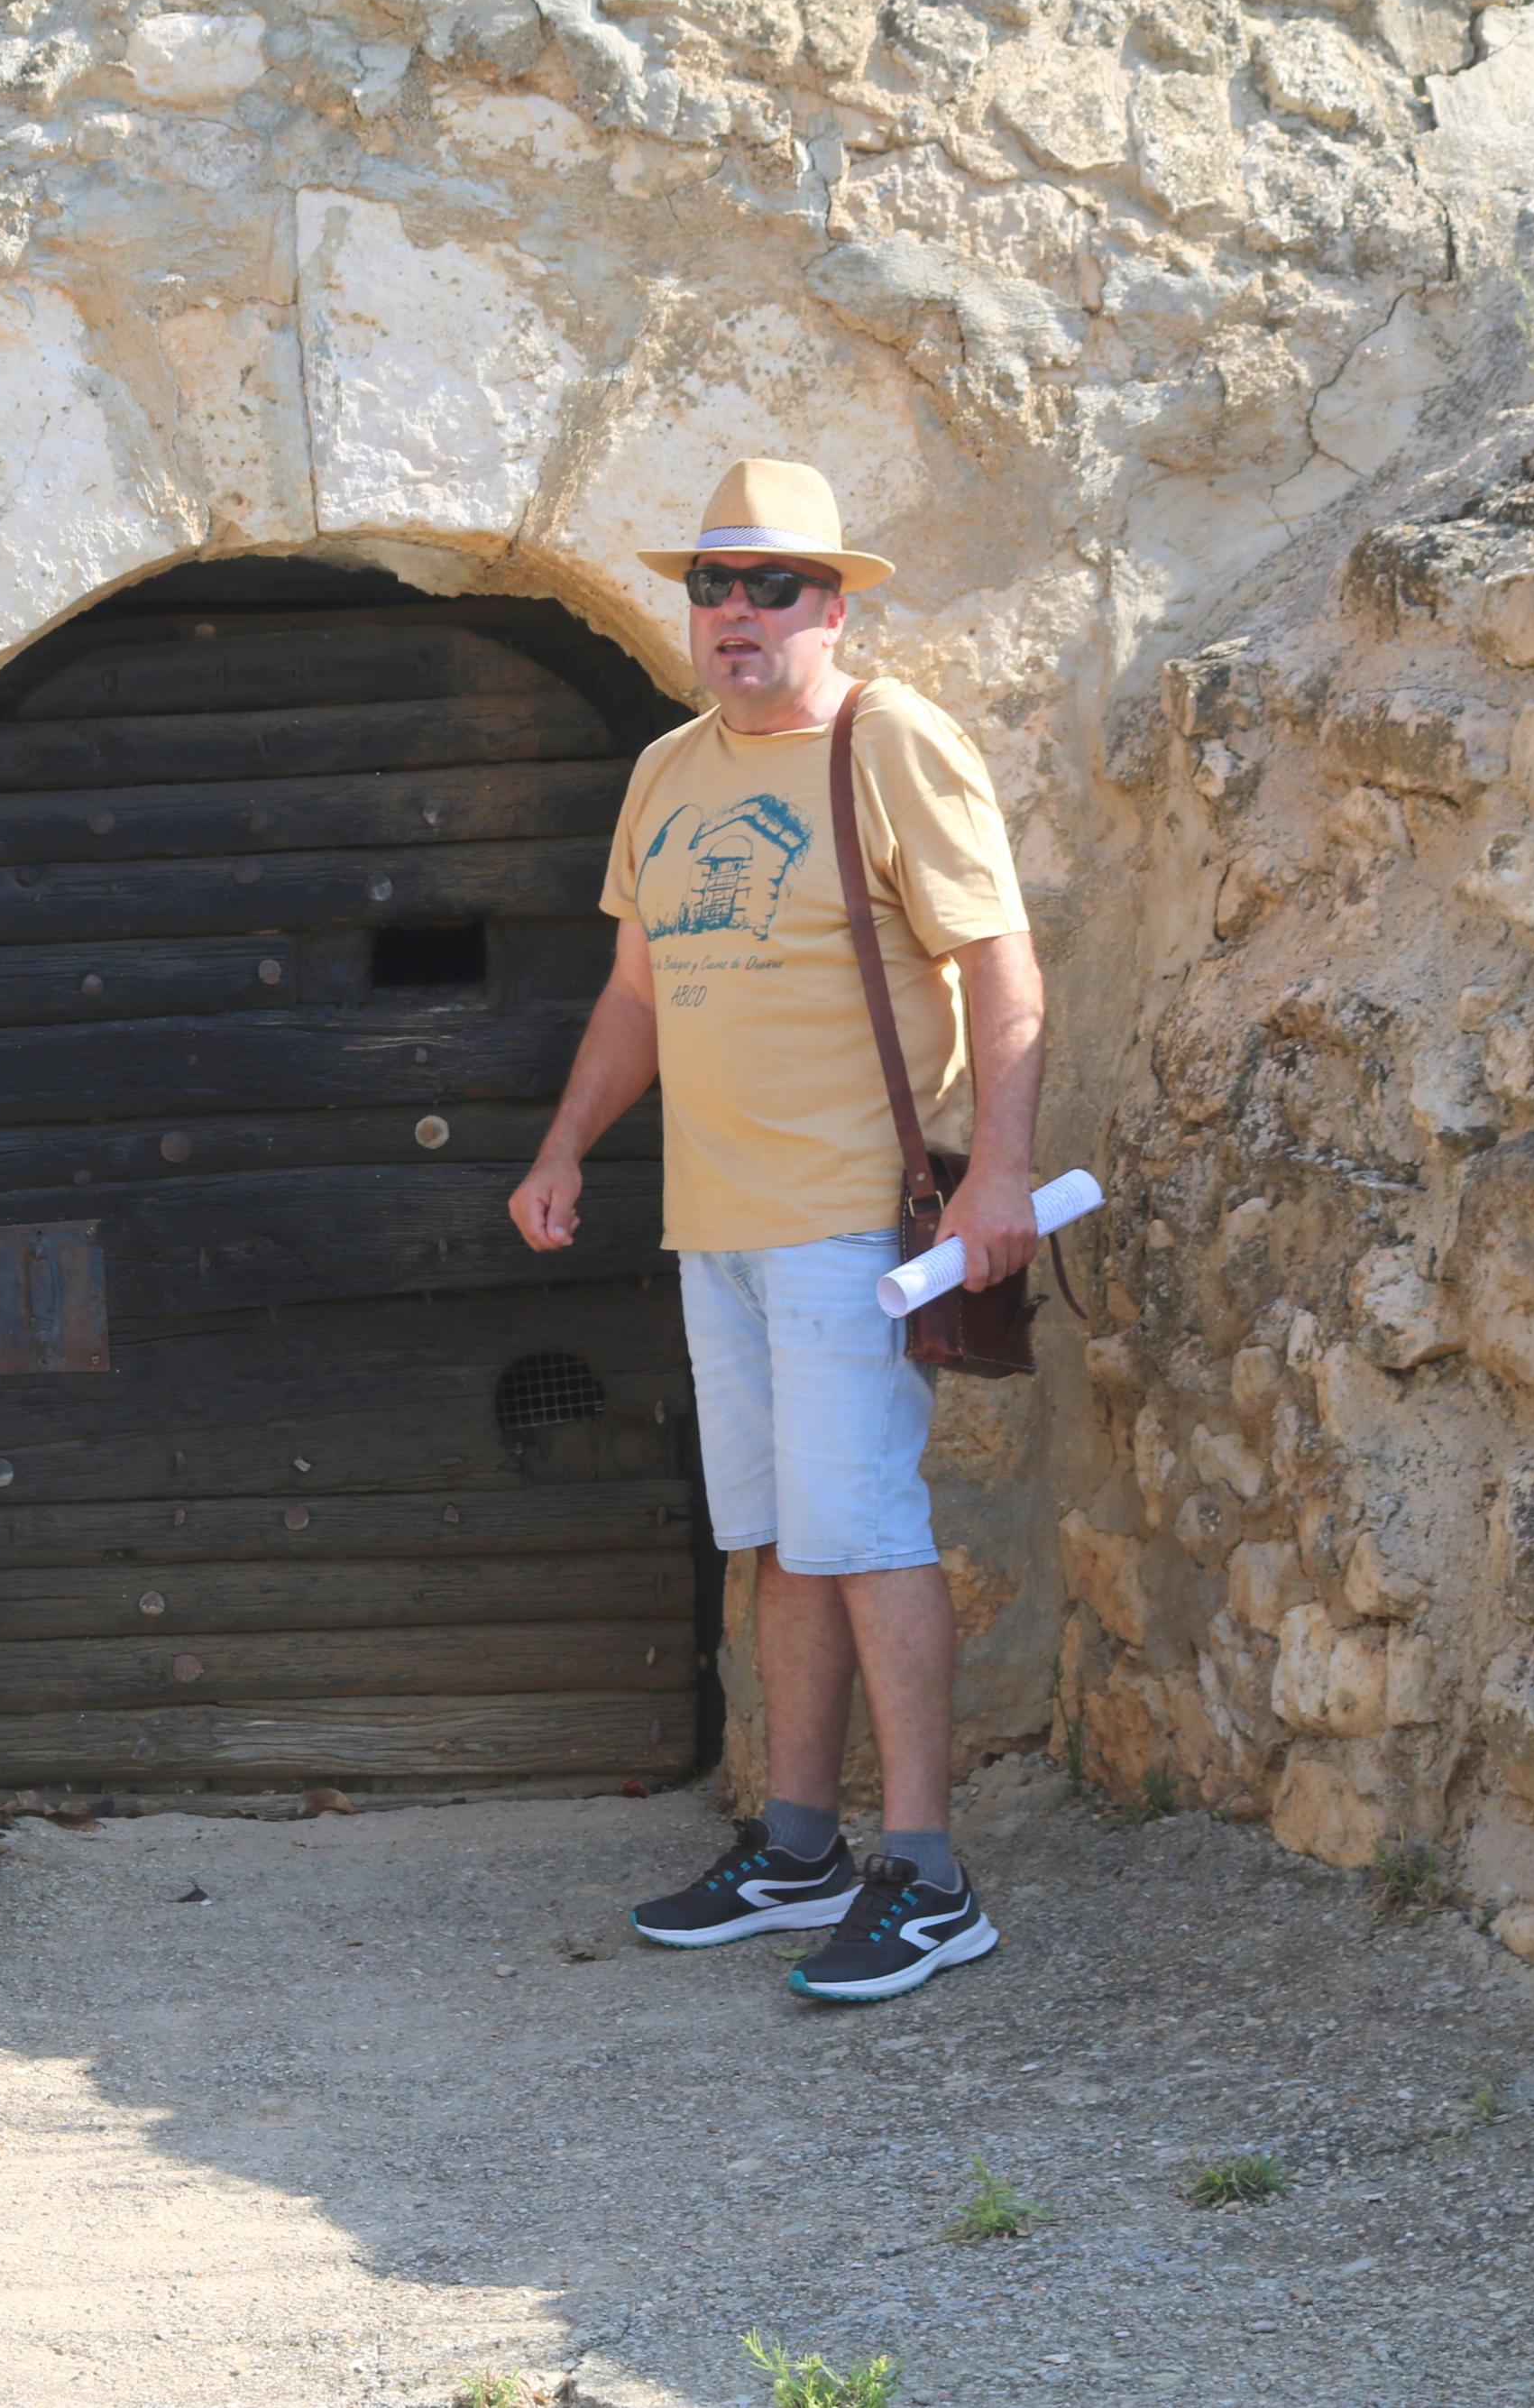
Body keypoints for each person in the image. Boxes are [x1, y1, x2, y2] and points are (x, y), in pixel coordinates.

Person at [508, 460, 1045, 2004]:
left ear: (834, 602)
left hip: (846, 1224)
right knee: (779, 1546)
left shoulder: (891, 745)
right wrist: (564, 1150)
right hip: (717, 1226)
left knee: (867, 1534)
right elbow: (637, 996)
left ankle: (931, 1876)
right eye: (714, 587)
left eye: (776, 587)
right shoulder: (670, 771)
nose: (738, 614)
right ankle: (798, 1847)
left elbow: (1003, 972)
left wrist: (998, 1174)